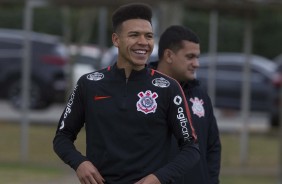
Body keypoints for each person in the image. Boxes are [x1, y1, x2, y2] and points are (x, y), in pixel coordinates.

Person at [53, 3, 200, 184]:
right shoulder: (89, 84)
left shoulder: (168, 88)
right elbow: (62, 138)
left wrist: (159, 178)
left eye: (148, 36)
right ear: (116, 40)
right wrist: (79, 163)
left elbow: (191, 148)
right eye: (134, 35)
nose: (143, 42)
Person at [151, 25, 221, 184]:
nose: (196, 64)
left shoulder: (200, 95)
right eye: (190, 57)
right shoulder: (142, 93)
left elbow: (213, 147)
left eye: (197, 57)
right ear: (169, 55)